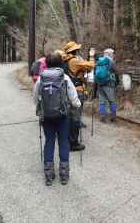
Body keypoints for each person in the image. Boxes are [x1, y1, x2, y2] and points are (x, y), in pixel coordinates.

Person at [33, 52, 81, 186]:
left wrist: (42, 106)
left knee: (49, 141)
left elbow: (35, 97)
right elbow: (73, 97)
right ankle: (64, 175)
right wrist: (77, 105)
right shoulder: (64, 77)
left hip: (47, 116)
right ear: (60, 63)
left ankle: (49, 176)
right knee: (63, 142)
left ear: (46, 64)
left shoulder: (41, 78)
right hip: (63, 116)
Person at [62, 41, 95, 151]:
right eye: (77, 50)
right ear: (74, 51)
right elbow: (91, 66)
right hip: (76, 90)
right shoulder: (74, 60)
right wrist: (91, 56)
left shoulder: (64, 60)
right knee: (75, 118)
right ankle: (73, 143)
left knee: (69, 116)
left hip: (67, 90)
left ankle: (66, 140)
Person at [95, 48, 118, 123]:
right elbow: (116, 72)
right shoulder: (111, 62)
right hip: (109, 84)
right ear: (111, 54)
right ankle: (113, 118)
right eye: (113, 54)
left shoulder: (99, 61)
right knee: (112, 101)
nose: (114, 55)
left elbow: (96, 73)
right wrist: (117, 82)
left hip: (100, 84)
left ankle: (102, 117)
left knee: (102, 101)